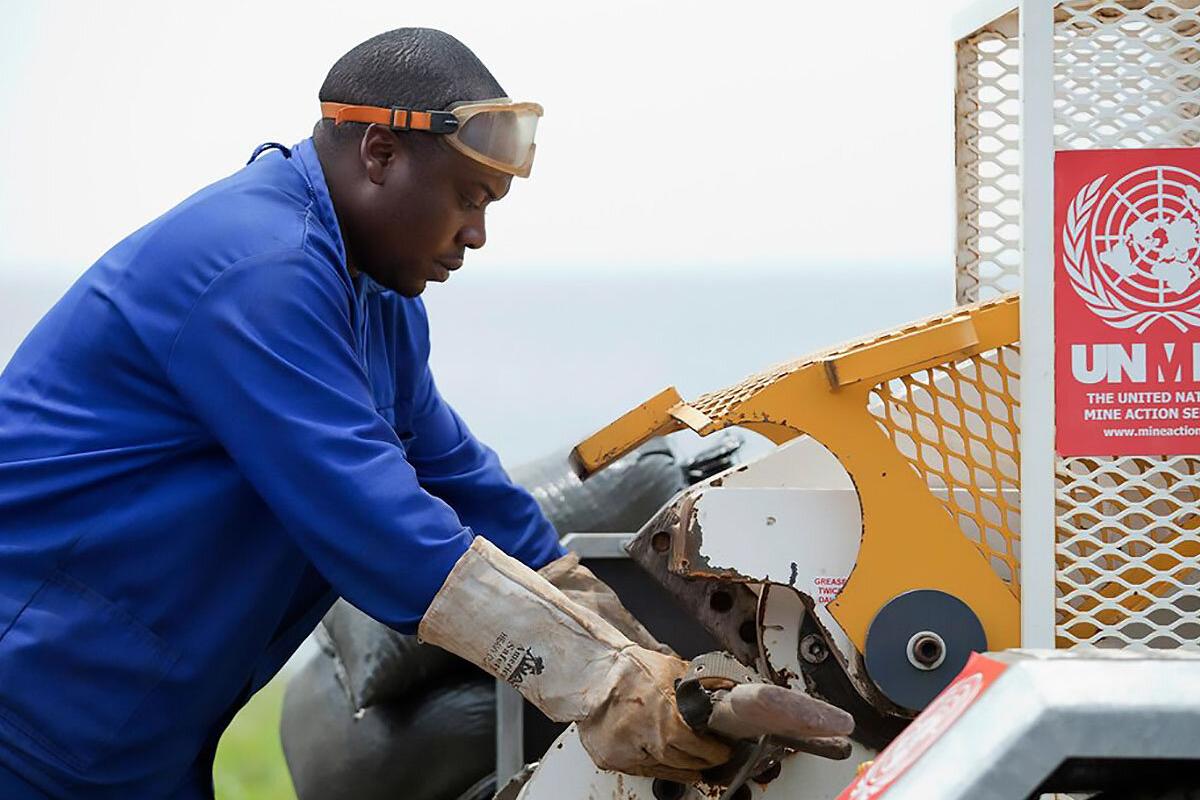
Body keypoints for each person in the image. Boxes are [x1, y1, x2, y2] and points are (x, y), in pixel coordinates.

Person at [0, 27, 728, 800]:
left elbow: (461, 482)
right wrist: (604, 685)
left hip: (133, 735)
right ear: (380, 153)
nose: (477, 234)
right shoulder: (258, 270)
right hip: (31, 705)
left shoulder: (377, 302)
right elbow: (376, 524)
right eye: (468, 198)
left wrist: (633, 646)